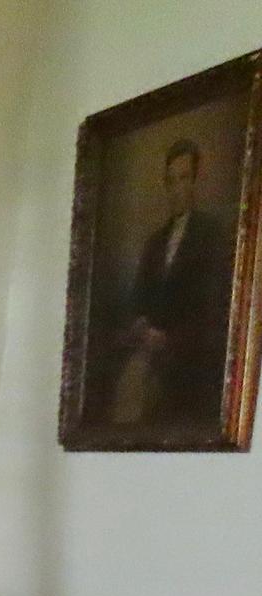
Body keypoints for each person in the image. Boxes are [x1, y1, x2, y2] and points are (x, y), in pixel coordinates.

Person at [110, 137, 235, 424]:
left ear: (194, 182)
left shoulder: (212, 236)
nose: (177, 189)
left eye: (184, 179)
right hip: (149, 356)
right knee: (130, 385)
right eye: (171, 181)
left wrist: (169, 341)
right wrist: (140, 325)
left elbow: (215, 310)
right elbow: (137, 301)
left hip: (188, 360)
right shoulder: (154, 243)